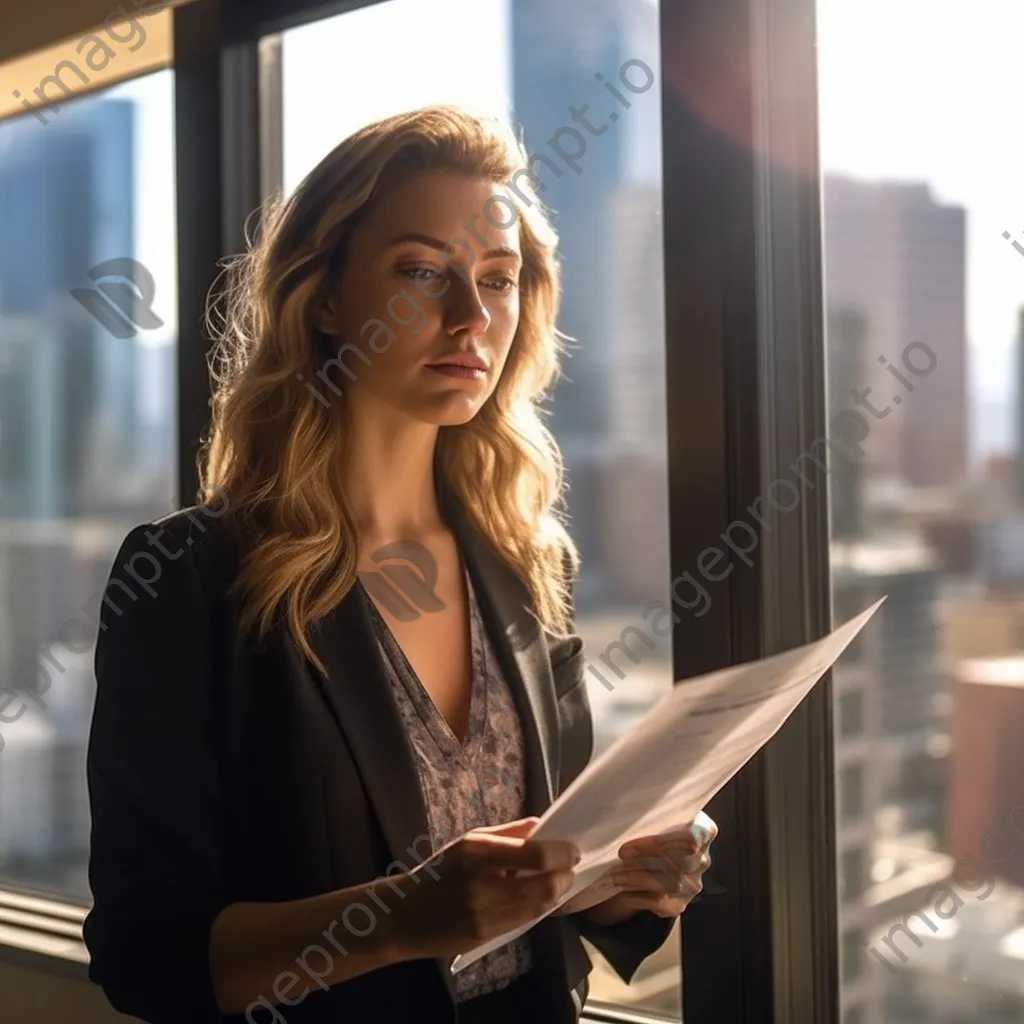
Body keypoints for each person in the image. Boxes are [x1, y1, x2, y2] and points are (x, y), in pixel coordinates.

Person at [83, 105, 716, 1024]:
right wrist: (395, 922)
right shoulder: (188, 576)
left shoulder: (526, 559)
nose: (472, 317)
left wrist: (625, 877)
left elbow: (547, 869)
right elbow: (147, 955)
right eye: (424, 271)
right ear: (326, 297)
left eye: (499, 281)